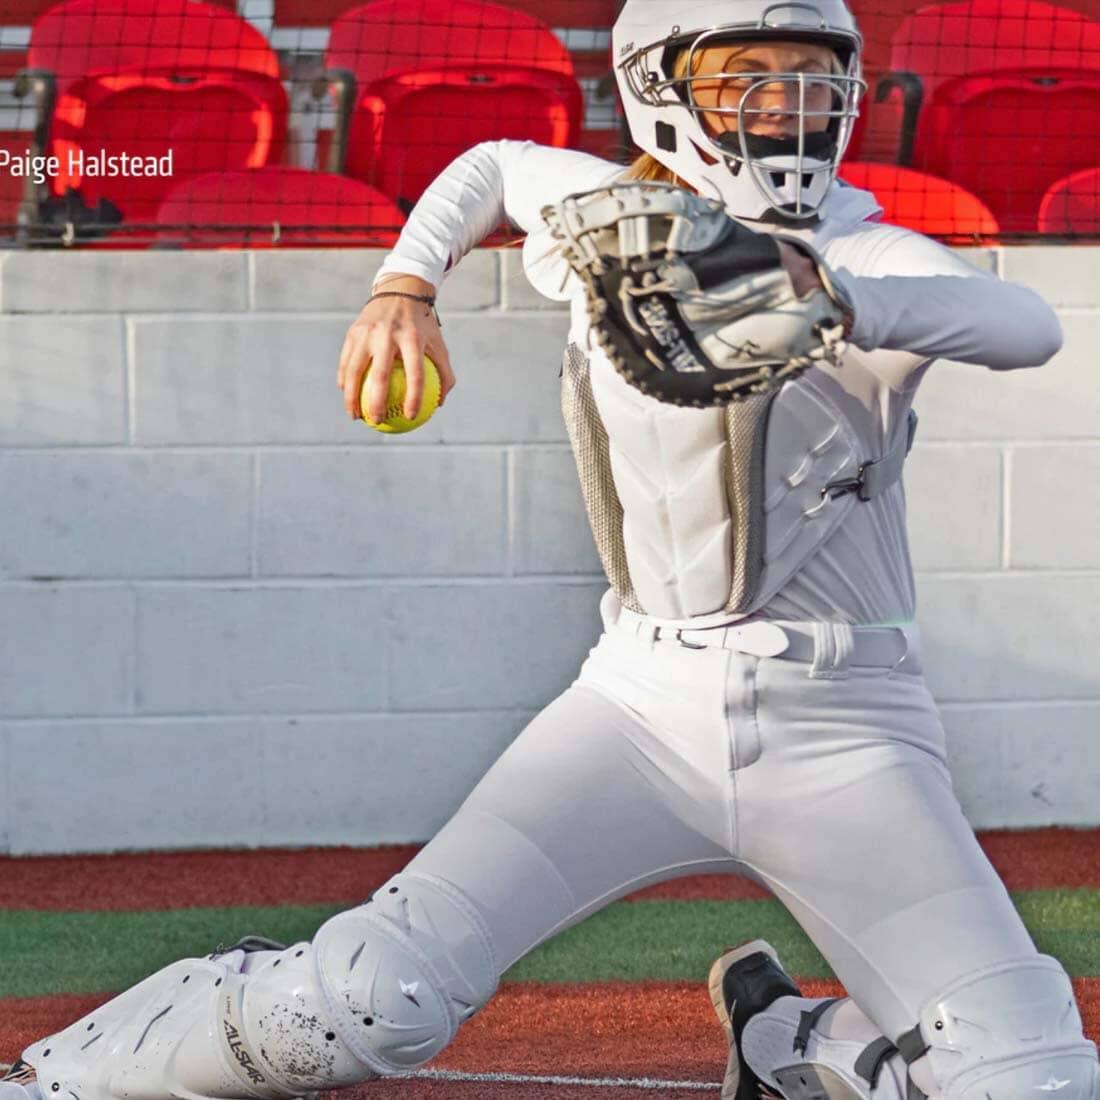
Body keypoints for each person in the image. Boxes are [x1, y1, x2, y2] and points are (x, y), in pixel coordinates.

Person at [3, 2, 1097, 1099]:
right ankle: (55, 1080)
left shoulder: (863, 245)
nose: (786, 107)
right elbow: (488, 162)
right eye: (747, 76)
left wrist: (827, 294)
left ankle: (792, 1043)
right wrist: (404, 284)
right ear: (656, 89)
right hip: (636, 706)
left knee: (1033, 1079)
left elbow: (1021, 325)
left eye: (811, 78)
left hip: (846, 726)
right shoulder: (605, 216)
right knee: (358, 1006)